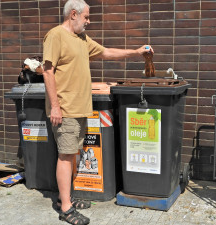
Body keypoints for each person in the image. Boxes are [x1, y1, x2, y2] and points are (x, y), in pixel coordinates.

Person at [42, 0, 154, 224]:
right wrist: (55, 106)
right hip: (65, 109)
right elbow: (47, 71)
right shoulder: (55, 36)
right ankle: (65, 207)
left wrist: (135, 51)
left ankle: (67, 197)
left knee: (72, 153)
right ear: (73, 14)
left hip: (81, 107)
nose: (88, 21)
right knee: (65, 156)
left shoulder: (82, 39)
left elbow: (106, 52)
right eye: (86, 17)